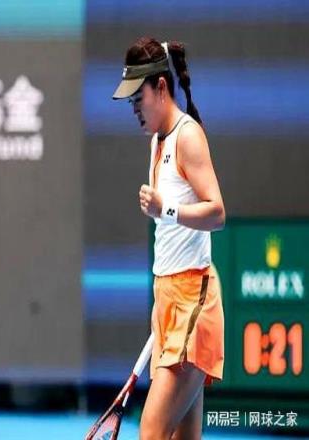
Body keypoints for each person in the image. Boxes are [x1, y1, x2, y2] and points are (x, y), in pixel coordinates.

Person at [112, 36, 226, 439]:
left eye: (138, 98)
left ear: (161, 87)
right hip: (168, 301)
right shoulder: (156, 142)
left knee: (151, 431)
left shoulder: (188, 136)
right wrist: (162, 308)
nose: (134, 109)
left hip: (194, 302)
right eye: (130, 102)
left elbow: (217, 212)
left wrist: (167, 210)